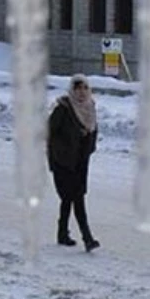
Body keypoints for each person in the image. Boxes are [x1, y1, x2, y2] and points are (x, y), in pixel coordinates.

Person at [47, 74, 100, 252]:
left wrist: (89, 145)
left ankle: (62, 233)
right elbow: (50, 133)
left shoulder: (90, 107)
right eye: (77, 88)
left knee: (69, 199)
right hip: (63, 162)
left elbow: (93, 132)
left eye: (84, 88)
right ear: (71, 89)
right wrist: (57, 157)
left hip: (81, 162)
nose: (81, 93)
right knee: (75, 199)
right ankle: (88, 238)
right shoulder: (63, 108)